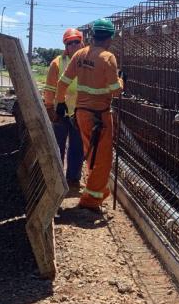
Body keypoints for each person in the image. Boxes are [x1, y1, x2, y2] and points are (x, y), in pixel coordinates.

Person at [54, 19, 124, 212]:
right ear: (109, 38)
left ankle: (97, 193)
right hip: (99, 116)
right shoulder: (108, 58)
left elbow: (62, 82)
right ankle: (90, 201)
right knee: (103, 160)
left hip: (81, 114)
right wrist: (121, 80)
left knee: (92, 155)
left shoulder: (80, 54)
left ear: (92, 36)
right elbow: (115, 91)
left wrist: (60, 103)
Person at [44, 28, 86, 190]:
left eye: (76, 41)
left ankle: (73, 179)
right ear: (65, 46)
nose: (73, 45)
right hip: (60, 112)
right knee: (57, 146)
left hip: (80, 112)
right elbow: (49, 89)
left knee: (77, 147)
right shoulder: (57, 63)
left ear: (82, 43)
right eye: (70, 43)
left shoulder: (89, 61)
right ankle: (56, 179)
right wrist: (50, 108)